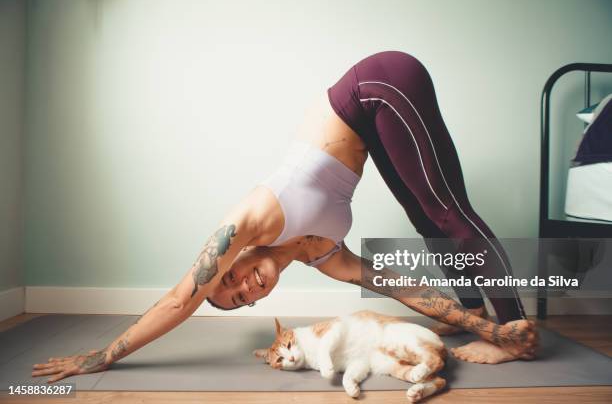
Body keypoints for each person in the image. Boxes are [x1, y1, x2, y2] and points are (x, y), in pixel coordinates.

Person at [32, 51, 538, 383]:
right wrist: (471, 324)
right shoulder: (323, 255)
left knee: (447, 210)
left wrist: (99, 358)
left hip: (379, 85)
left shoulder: (251, 219)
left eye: (229, 278)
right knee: (426, 216)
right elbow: (399, 287)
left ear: (235, 254)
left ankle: (514, 330)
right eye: (243, 297)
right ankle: (488, 323)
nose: (245, 284)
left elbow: (178, 300)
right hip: (371, 114)